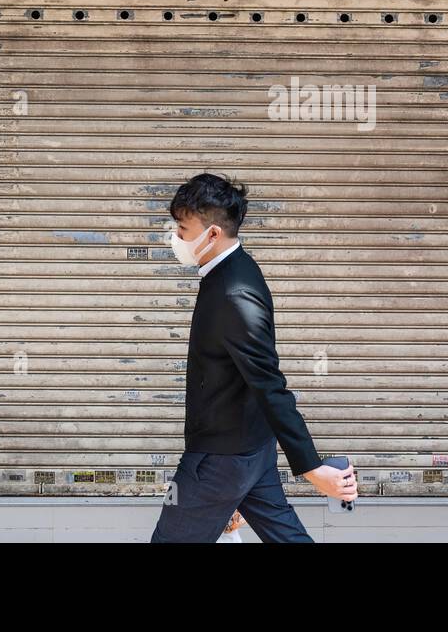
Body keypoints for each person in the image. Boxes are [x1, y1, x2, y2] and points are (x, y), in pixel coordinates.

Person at [150, 173, 357, 543]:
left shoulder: (234, 293)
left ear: (212, 235)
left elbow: (268, 382)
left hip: (218, 461)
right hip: (248, 452)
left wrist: (312, 468)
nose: (175, 237)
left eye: (182, 229)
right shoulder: (232, 270)